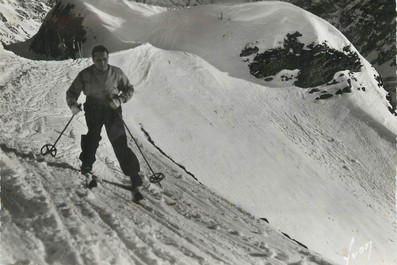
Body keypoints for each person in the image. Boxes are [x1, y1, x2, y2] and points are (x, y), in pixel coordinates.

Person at [66, 45, 143, 201]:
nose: (102, 63)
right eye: (98, 60)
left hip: (112, 108)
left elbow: (129, 89)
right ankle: (86, 165)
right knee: (93, 137)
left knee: (119, 140)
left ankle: (133, 174)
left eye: (104, 59)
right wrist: (73, 105)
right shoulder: (85, 74)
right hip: (93, 107)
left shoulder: (116, 73)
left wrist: (120, 99)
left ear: (108, 58)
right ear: (93, 60)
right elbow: (72, 92)